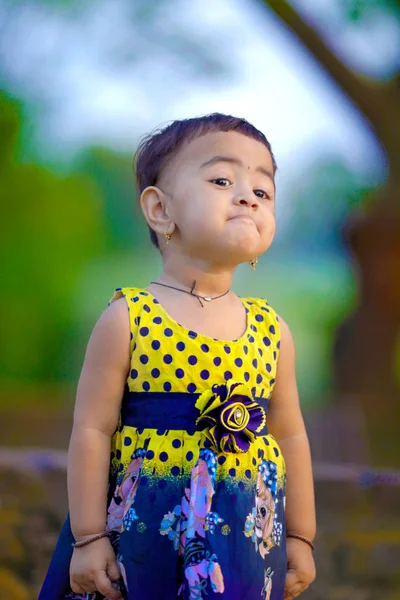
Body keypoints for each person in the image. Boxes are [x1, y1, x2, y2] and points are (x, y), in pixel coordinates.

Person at [38, 113, 316, 600]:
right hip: (146, 534)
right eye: (223, 180)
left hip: (246, 539)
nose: (248, 196)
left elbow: (289, 432)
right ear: (160, 210)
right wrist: (88, 538)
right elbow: (92, 429)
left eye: (264, 190)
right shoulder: (129, 319)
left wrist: (300, 535)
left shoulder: (273, 331)